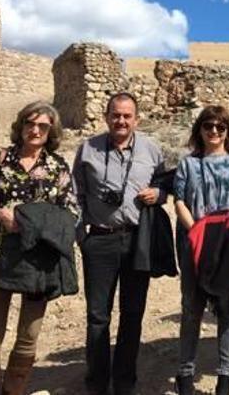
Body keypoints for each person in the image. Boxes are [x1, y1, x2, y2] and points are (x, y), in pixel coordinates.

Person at [0, 101, 78, 395]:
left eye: (43, 126)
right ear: (21, 125)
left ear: (51, 131)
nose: (36, 130)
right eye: (30, 123)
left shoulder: (57, 166)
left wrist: (42, 223)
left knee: (28, 336)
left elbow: (71, 211)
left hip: (39, 259)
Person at [73, 92, 167, 395]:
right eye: (116, 115)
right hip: (99, 241)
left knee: (133, 313)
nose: (121, 121)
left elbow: (166, 184)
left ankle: (125, 381)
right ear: (106, 117)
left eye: (127, 116)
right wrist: (82, 238)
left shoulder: (151, 149)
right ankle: (97, 383)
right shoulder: (87, 149)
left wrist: (159, 194)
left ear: (136, 119)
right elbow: (75, 197)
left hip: (137, 240)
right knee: (97, 317)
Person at [172, 105, 229, 395]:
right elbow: (180, 200)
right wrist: (197, 230)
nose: (214, 131)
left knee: (228, 309)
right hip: (196, 242)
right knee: (192, 308)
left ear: (227, 131)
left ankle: (225, 376)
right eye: (208, 126)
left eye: (220, 127)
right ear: (199, 129)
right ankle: (185, 374)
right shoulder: (188, 164)